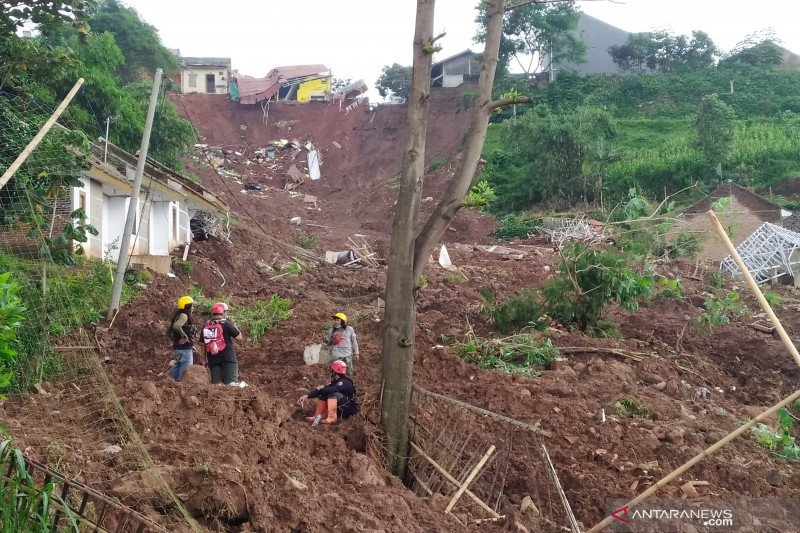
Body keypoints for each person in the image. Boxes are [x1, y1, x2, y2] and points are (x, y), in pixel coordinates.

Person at [297, 360, 359, 425]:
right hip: (341, 408)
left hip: (349, 410)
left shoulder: (345, 382)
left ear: (335, 371)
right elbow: (322, 389)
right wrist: (307, 396)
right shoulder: (335, 381)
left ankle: (332, 418)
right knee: (324, 393)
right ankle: (317, 416)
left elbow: (331, 390)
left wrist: (323, 389)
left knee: (332, 394)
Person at [202, 302, 244, 387]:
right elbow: (239, 337)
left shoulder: (206, 325)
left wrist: (204, 359)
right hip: (228, 357)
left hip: (213, 359)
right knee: (231, 384)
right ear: (223, 312)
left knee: (217, 385)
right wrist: (234, 325)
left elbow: (203, 344)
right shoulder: (226, 324)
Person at [168, 296, 196, 381]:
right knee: (185, 374)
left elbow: (168, 332)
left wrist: (176, 341)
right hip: (185, 351)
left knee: (176, 373)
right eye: (192, 305)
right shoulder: (184, 315)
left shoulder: (177, 316)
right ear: (188, 306)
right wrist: (184, 336)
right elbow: (177, 326)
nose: (193, 308)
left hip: (178, 350)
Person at [324, 312, 359, 376]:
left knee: (348, 373)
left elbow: (354, 341)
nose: (336, 322)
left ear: (343, 321)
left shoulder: (349, 329)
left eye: (338, 320)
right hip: (336, 355)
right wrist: (328, 340)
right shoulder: (332, 330)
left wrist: (356, 353)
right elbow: (329, 343)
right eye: (335, 320)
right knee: (335, 373)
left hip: (347, 355)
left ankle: (346, 384)